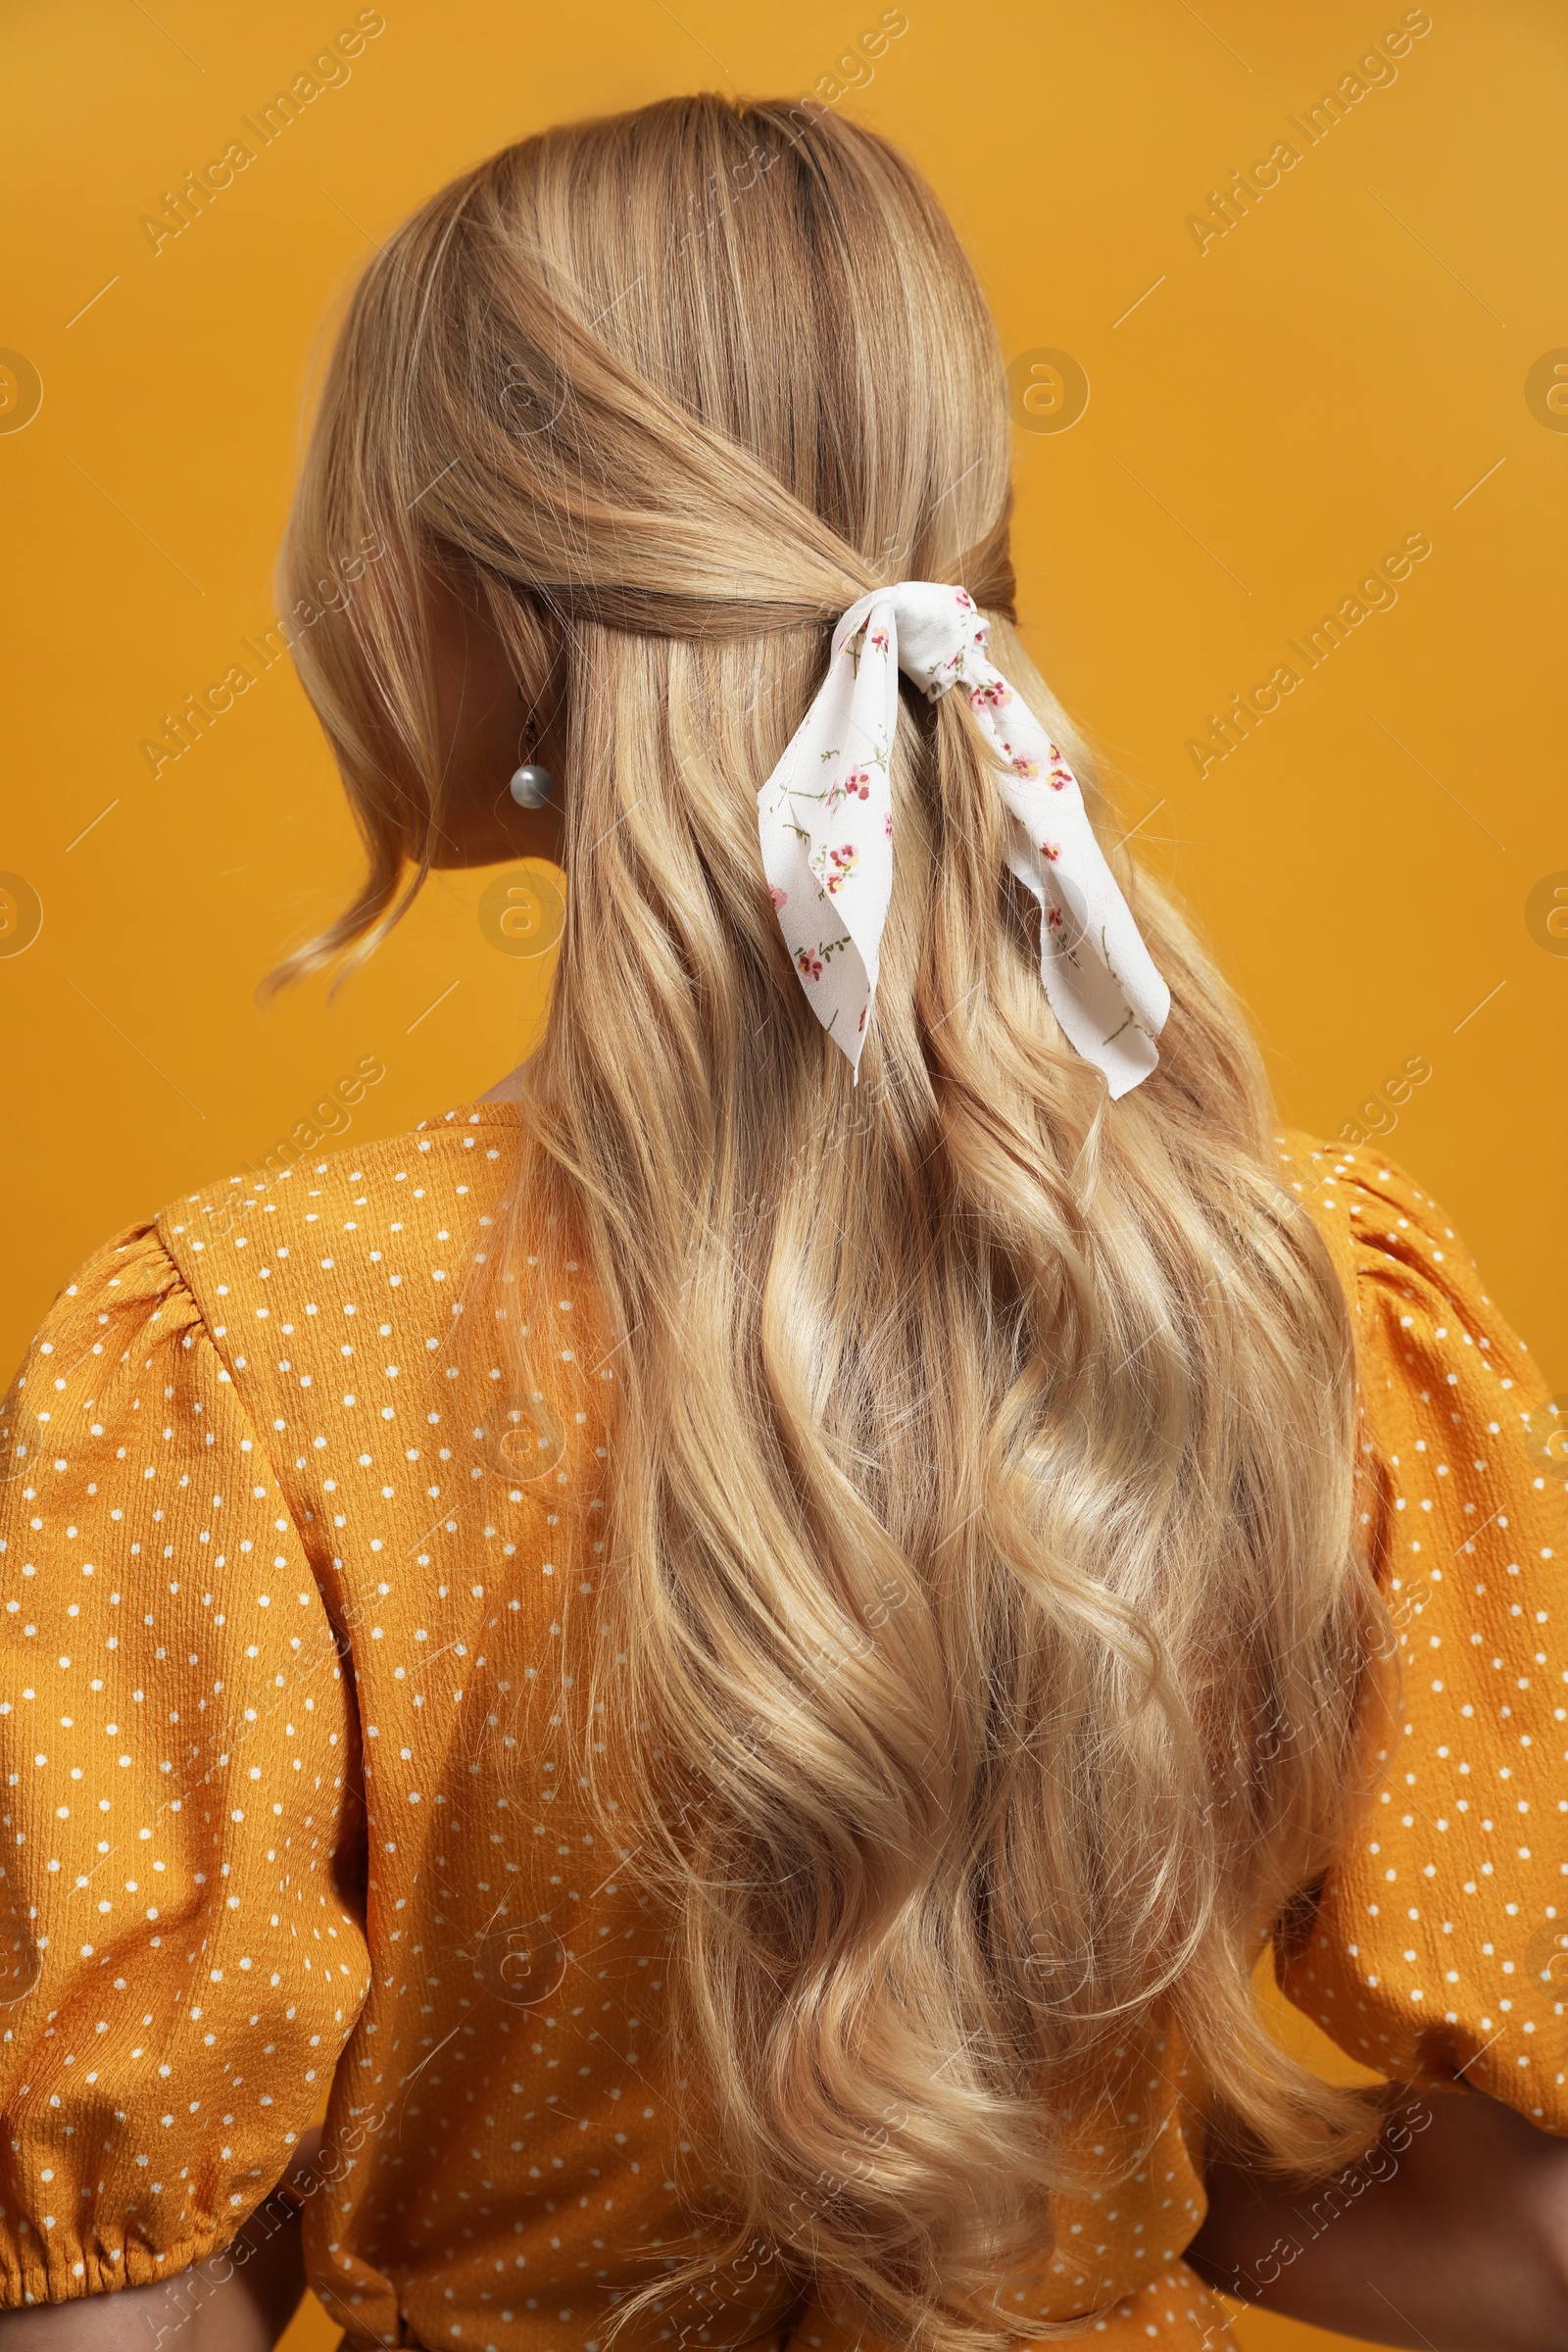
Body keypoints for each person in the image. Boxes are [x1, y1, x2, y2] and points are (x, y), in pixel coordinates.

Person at [0, 93, 1564, 2352]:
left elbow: (120, 2321)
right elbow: (1528, 2246)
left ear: (482, 604)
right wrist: (1075, 2162)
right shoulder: (1295, 1289)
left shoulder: (239, 1352)